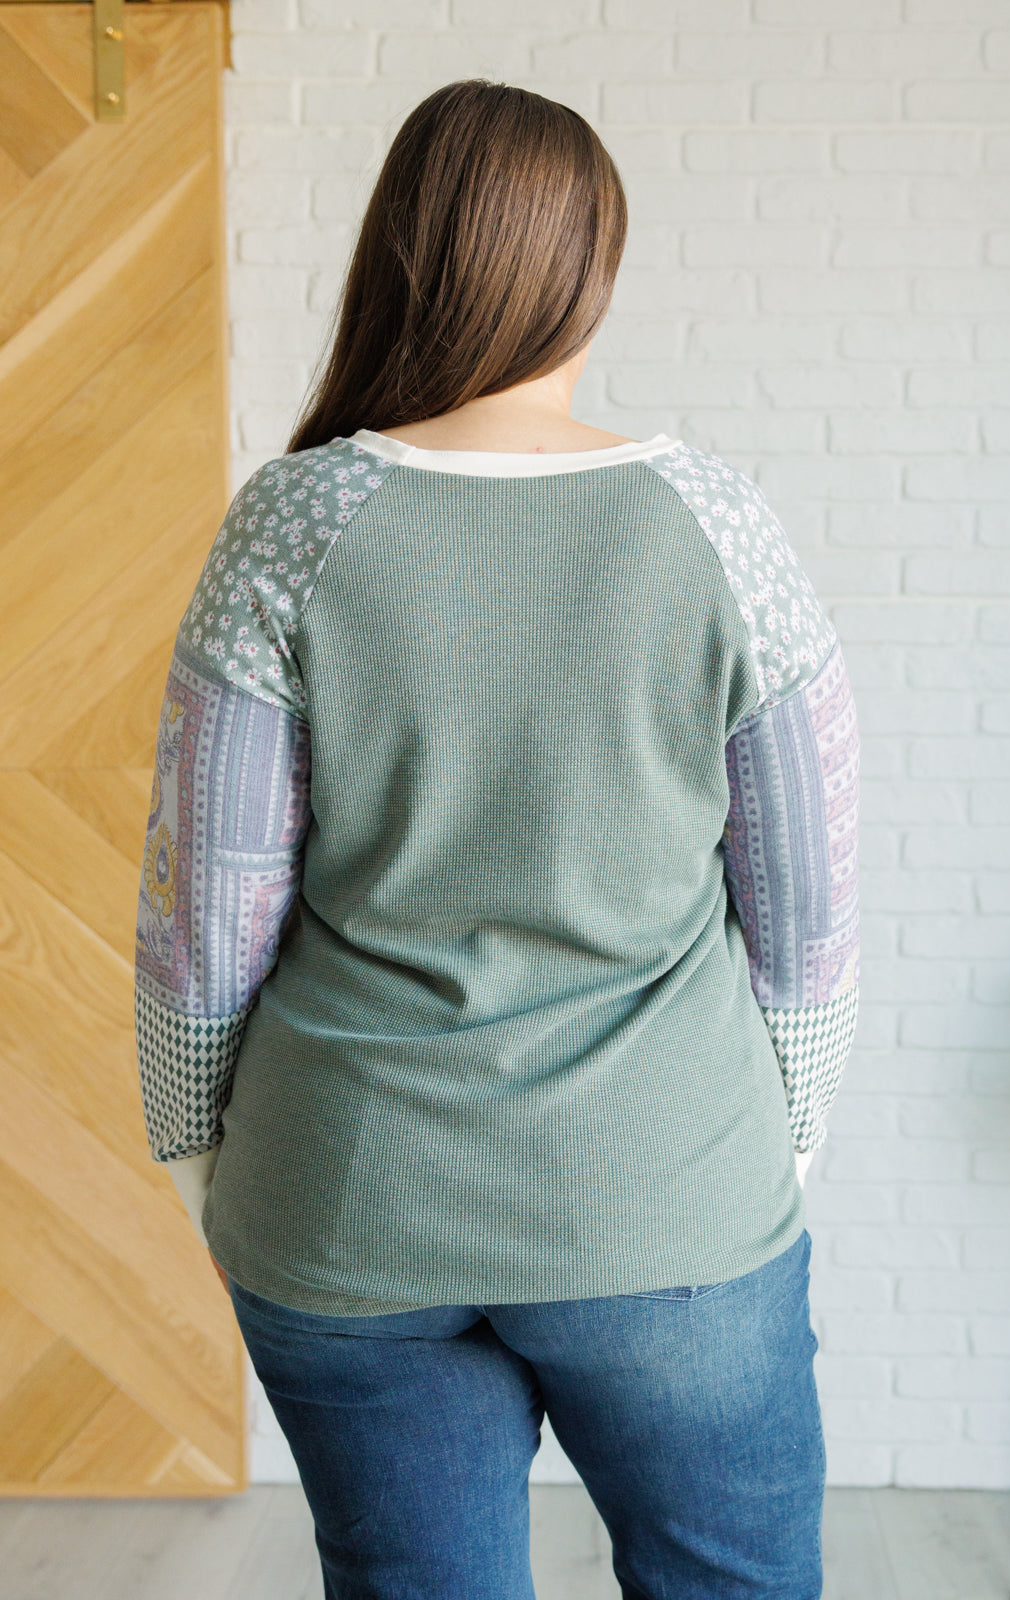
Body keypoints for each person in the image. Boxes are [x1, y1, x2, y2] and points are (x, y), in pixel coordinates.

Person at [133, 77, 860, 1600]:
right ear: (594, 263)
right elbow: (806, 915)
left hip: (348, 1205)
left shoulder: (292, 522)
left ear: (398, 252)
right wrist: (766, 1152)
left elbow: (207, 916)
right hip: (667, 1200)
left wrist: (201, 1157)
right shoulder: (717, 524)